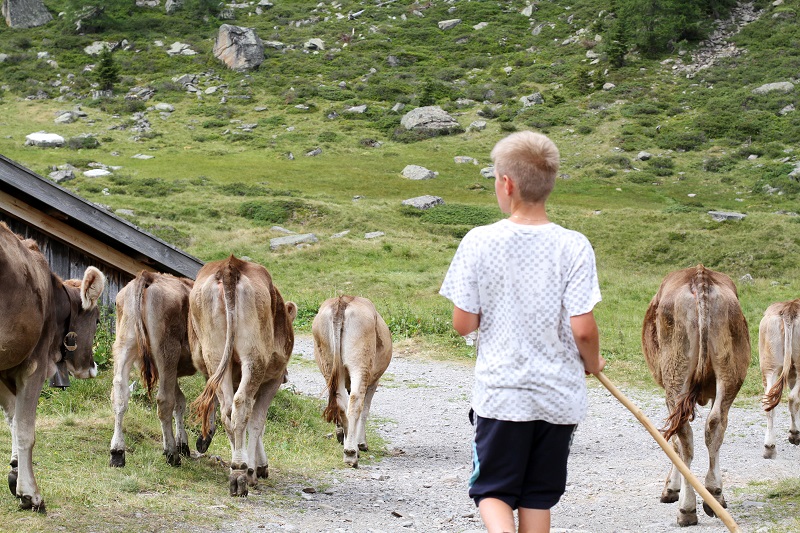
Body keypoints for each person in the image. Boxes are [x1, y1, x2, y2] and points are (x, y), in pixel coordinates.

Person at [439, 130, 606, 533]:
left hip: (502, 395)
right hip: (558, 398)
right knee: (536, 495)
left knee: (493, 491)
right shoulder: (575, 245)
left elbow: (463, 324)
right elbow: (583, 329)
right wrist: (593, 362)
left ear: (506, 184)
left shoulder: (479, 241)